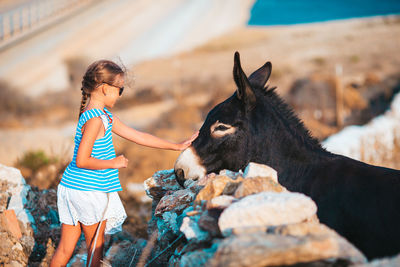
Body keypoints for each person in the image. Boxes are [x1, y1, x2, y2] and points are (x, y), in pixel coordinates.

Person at [50, 60, 198, 267]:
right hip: (88, 190)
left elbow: (139, 136)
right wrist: (113, 162)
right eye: (119, 89)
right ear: (104, 88)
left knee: (66, 248)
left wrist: (176, 146)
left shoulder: (102, 116)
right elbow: (82, 160)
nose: (121, 94)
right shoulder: (96, 120)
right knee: (96, 246)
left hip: (71, 187)